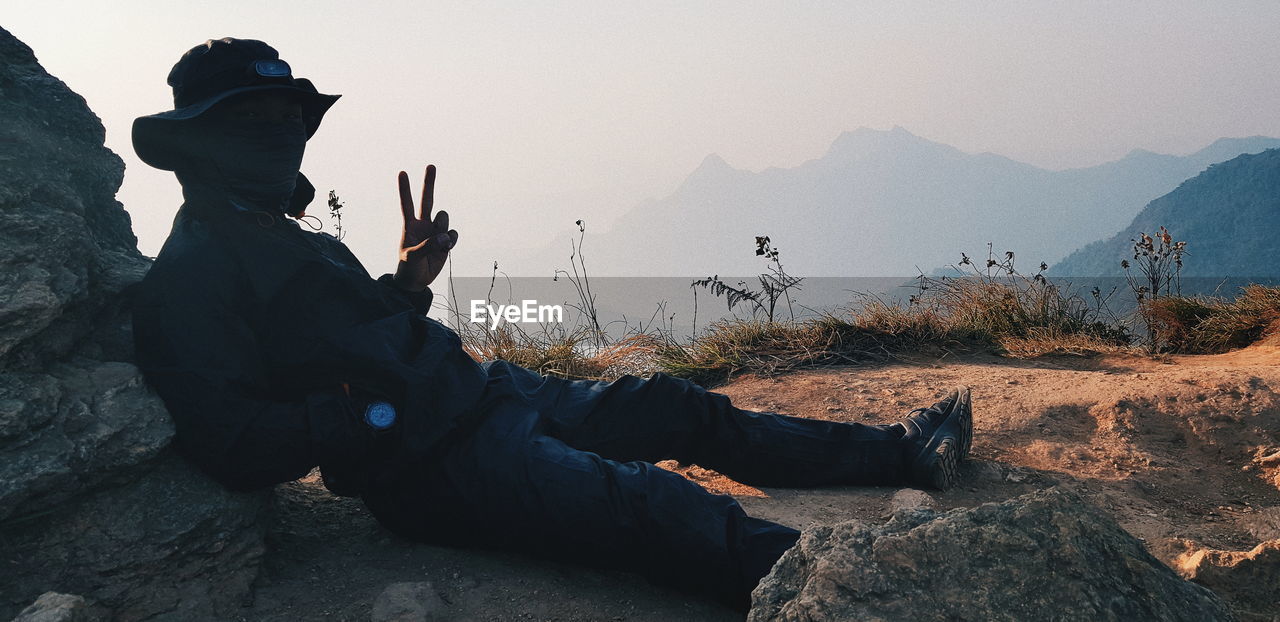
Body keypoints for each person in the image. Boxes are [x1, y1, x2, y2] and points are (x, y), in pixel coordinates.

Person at [130, 38, 974, 612]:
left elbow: (353, 339)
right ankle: (857, 593)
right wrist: (367, 413)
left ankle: (900, 454)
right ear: (195, 141)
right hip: (435, 467)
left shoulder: (277, 231)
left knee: (675, 406)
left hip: (488, 396)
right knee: (648, 504)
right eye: (255, 122)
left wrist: (408, 282)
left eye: (289, 120)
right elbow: (230, 442)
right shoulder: (191, 277)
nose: (283, 137)